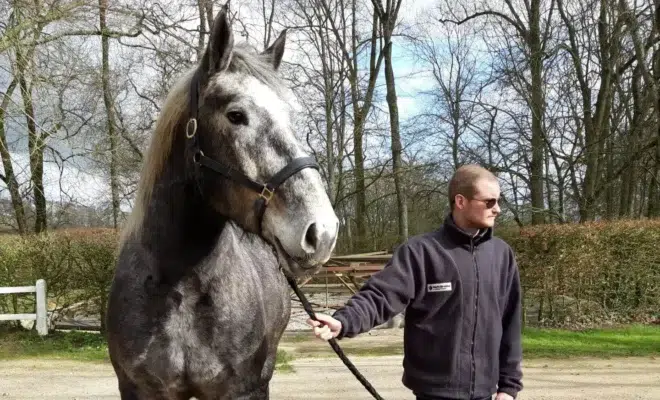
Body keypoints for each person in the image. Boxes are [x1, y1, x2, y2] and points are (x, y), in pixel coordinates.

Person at [307, 164, 523, 400]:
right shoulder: (421, 252)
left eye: (498, 201)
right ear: (460, 201)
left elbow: (510, 322)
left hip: (485, 393)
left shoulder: (502, 255)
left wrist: (508, 387)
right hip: (433, 392)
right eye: (489, 202)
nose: (498, 209)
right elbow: (381, 295)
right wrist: (343, 322)